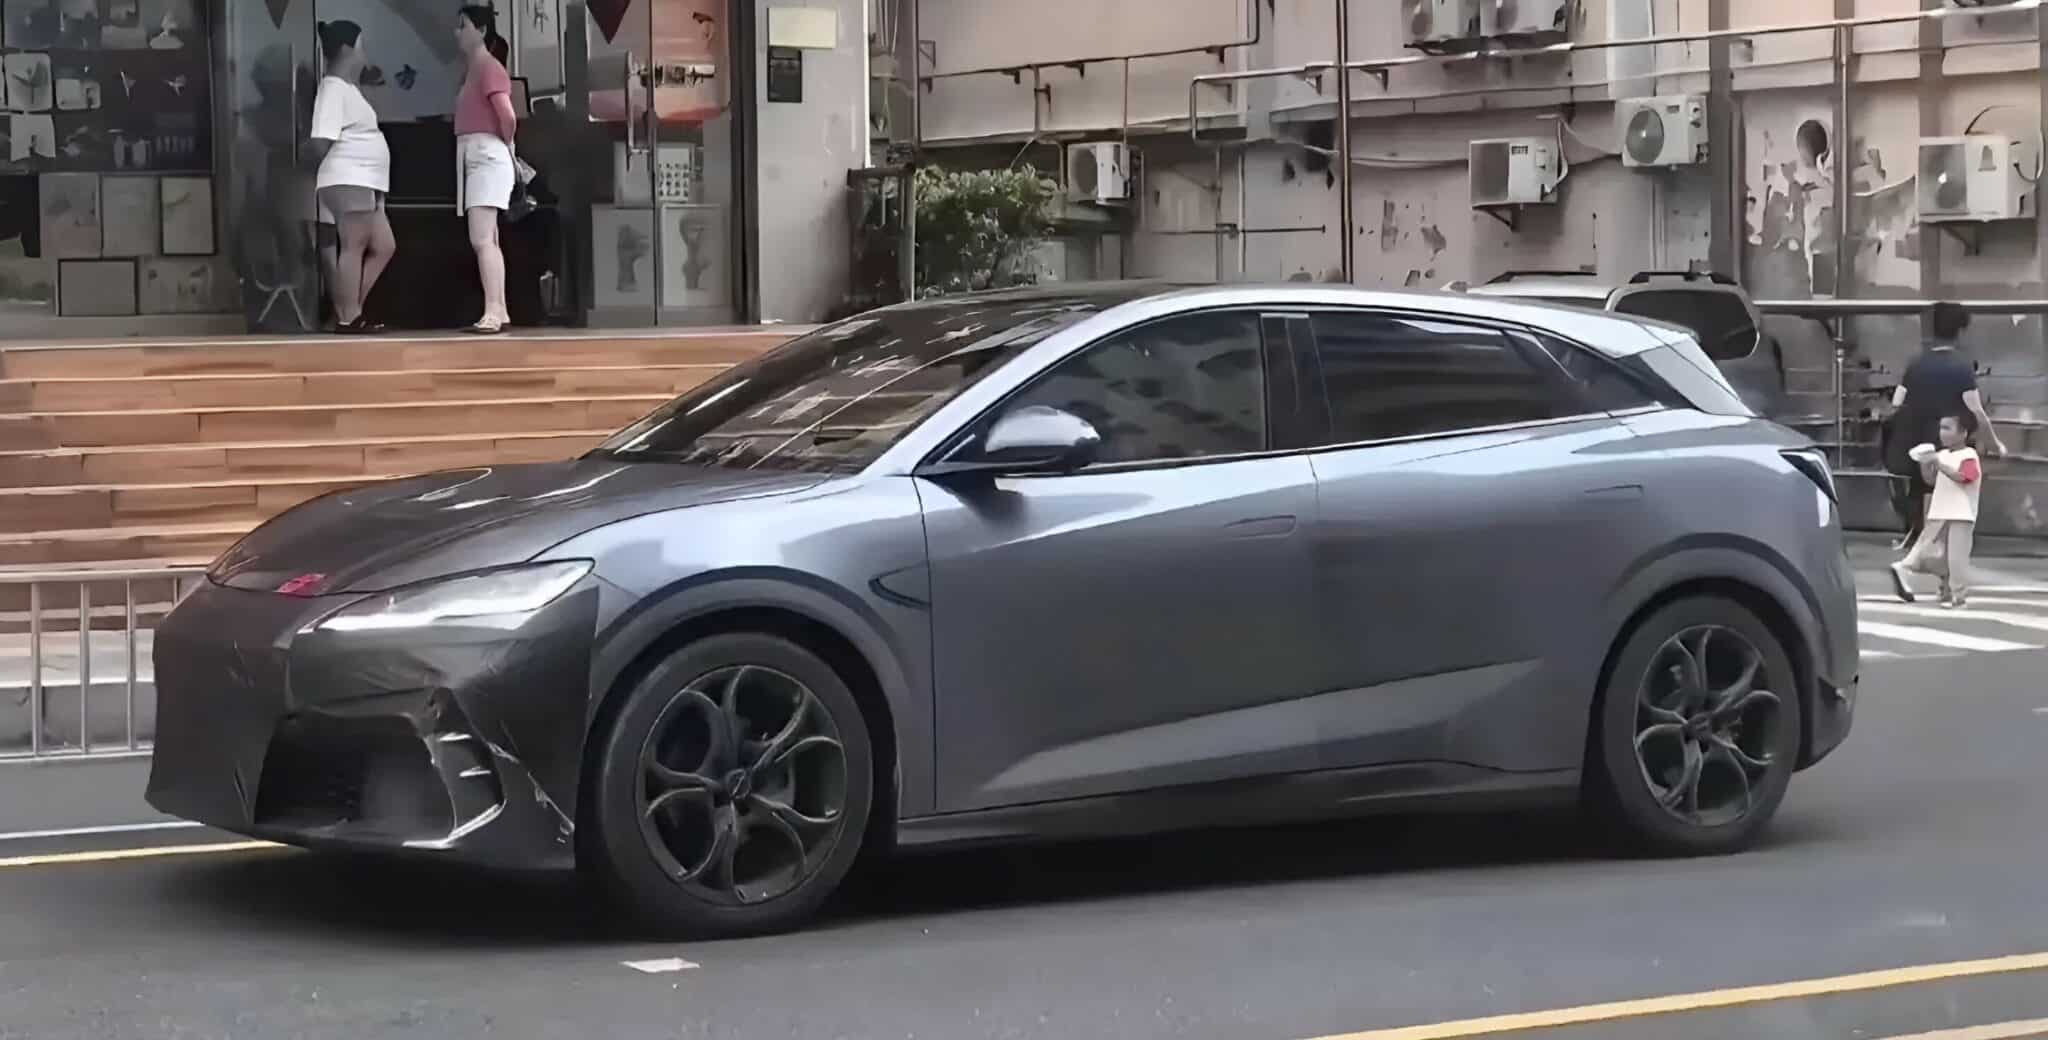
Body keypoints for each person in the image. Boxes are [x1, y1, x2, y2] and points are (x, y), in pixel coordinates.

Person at [1887, 302, 2005, 547]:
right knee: (1949, 494)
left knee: (1922, 491)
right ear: (1960, 331)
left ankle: (1920, 540)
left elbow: (1896, 403)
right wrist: (1995, 444)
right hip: (1949, 447)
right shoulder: (1961, 368)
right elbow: (1977, 411)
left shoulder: (1915, 364)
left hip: (1917, 446)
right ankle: (1940, 544)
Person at [307, 20, 395, 334]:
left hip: (365, 181)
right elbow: (321, 140)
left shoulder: (348, 88)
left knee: (384, 245)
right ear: (347, 48)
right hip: (349, 177)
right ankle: (348, 317)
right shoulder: (331, 88)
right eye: (361, 45)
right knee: (354, 245)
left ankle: (348, 309)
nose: (364, 52)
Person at [453, 4, 518, 334]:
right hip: (479, 154)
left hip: (486, 155)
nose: (457, 32)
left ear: (480, 30)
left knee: (481, 238)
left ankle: (493, 310)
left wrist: (506, 144)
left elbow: (507, 116)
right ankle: (499, 308)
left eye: (463, 26)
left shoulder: (489, 67)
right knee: (488, 237)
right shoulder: (475, 69)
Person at [1890, 413, 1984, 609]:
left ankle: (1957, 596)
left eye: (1948, 428)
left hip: (1961, 514)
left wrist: (1938, 463)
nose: (1942, 433)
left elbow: (1965, 477)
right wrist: (1925, 464)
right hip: (1940, 511)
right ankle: (1938, 586)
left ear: (1963, 433)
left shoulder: (1968, 455)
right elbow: (1931, 481)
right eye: (1941, 428)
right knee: (1936, 555)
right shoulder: (1941, 454)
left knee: (1956, 558)